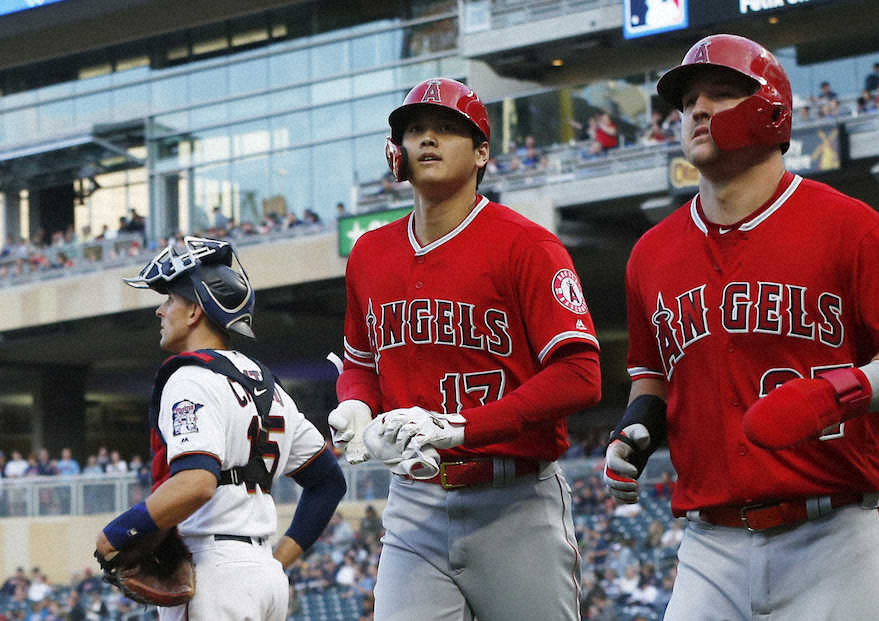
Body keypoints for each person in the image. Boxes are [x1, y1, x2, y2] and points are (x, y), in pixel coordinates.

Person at [602, 34, 879, 621]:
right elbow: (651, 377)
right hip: (708, 545)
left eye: (720, 93)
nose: (697, 110)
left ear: (771, 109)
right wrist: (638, 425)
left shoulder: (848, 226)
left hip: (834, 535)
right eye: (689, 101)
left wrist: (840, 393)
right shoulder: (650, 254)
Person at [328, 77, 602, 620]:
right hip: (414, 501)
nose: (427, 139)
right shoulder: (370, 253)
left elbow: (581, 373)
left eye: (447, 129)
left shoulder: (527, 245)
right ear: (396, 153)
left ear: (482, 153)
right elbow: (360, 363)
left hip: (515, 498)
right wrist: (357, 404)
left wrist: (464, 428)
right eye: (415, 130)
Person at [95, 236, 346, 620]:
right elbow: (328, 481)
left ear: (195, 310)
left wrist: (116, 533)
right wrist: (277, 560)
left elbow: (196, 482)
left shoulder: (191, 378)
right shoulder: (269, 385)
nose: (160, 311)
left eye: (169, 300)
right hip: (263, 575)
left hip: (214, 572)